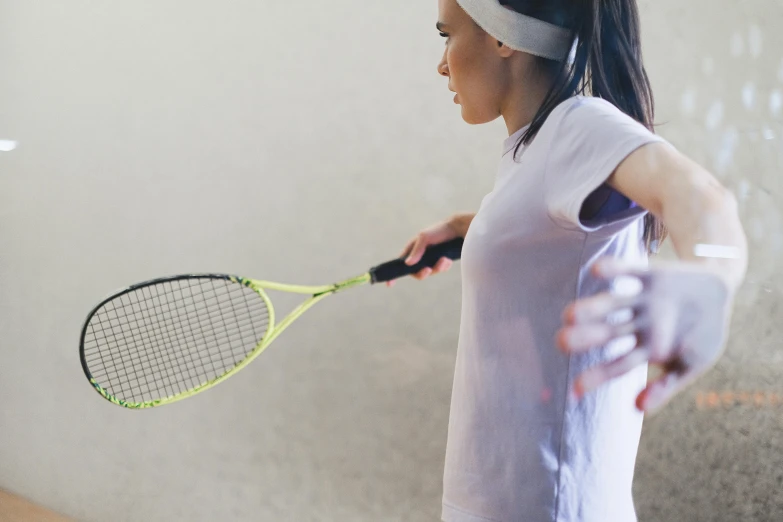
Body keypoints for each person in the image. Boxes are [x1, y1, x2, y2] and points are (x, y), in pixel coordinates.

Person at [386, 0, 749, 521]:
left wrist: (712, 279)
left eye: (447, 35)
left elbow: (700, 194)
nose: (441, 64)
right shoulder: (537, 146)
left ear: (501, 36)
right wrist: (480, 230)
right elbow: (555, 233)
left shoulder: (578, 127)